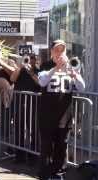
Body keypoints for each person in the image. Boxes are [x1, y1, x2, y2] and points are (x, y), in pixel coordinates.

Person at [37, 40, 85, 180]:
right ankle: (44, 174)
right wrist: (55, 68)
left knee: (61, 146)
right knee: (46, 146)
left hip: (65, 115)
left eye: (62, 50)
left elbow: (82, 87)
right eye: (56, 50)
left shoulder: (72, 67)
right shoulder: (46, 65)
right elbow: (42, 82)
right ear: (51, 51)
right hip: (47, 115)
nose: (59, 53)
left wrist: (74, 74)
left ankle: (58, 173)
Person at [10, 53, 41, 163]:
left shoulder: (39, 70)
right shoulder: (21, 69)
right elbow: (12, 78)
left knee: (33, 130)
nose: (31, 60)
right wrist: (20, 67)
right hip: (20, 103)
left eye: (33, 58)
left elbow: (41, 83)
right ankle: (19, 155)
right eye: (29, 58)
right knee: (19, 129)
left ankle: (33, 156)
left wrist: (31, 73)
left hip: (34, 105)